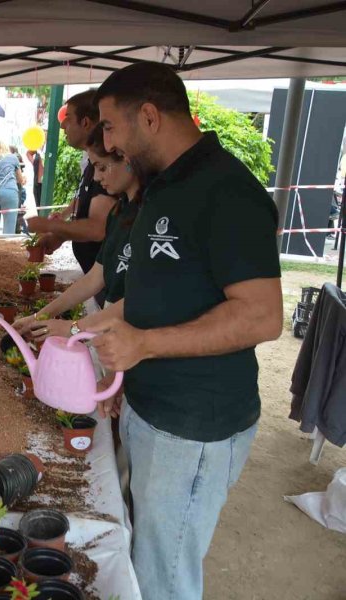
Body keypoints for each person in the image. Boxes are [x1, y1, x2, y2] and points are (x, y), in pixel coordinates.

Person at [89, 62, 283, 600]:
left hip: (193, 426)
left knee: (164, 578)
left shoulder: (226, 191)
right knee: (142, 554)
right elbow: (159, 290)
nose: (107, 143)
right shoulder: (162, 185)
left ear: (149, 117)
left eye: (110, 127)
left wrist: (144, 345)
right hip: (154, 406)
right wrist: (121, 366)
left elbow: (262, 315)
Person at [14, 123, 140, 364]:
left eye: (102, 167)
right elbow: (96, 276)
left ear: (127, 159)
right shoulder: (119, 212)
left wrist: (73, 328)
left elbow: (141, 298)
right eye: (94, 168)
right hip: (115, 334)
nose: (98, 177)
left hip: (137, 343)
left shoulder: (149, 215)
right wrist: (39, 317)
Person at [27, 89, 115, 276]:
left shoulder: (109, 166)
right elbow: (84, 203)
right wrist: (60, 236)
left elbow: (98, 228)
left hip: (106, 277)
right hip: (96, 277)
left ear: (85, 122)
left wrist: (49, 226)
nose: (62, 125)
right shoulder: (92, 164)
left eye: (68, 117)